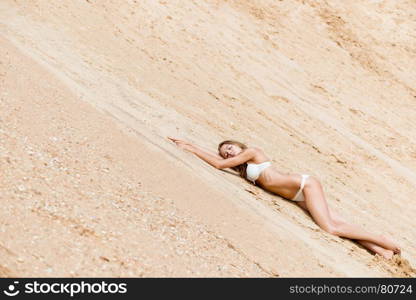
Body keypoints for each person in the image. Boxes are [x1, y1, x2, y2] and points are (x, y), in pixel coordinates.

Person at [167, 136, 401, 259]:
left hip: (304, 185)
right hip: (297, 196)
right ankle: (383, 252)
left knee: (329, 228)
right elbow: (221, 161)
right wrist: (192, 145)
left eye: (229, 147)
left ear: (239, 146)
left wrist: (192, 149)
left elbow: (219, 164)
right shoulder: (242, 164)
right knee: (339, 224)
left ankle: (384, 239)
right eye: (224, 151)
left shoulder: (252, 152)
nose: (227, 152)